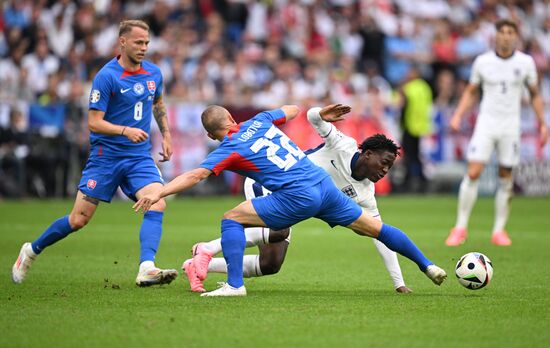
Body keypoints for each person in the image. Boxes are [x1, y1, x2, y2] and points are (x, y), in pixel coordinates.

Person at [134, 103, 447, 297]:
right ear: (231, 117)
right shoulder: (259, 120)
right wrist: (299, 114)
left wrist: (159, 190)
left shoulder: (227, 149)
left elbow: (195, 176)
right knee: (376, 228)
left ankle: (233, 284)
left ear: (211, 135)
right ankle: (428, 266)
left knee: (231, 218)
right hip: (323, 186)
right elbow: (293, 110)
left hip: (296, 194)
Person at [12, 20, 178, 286]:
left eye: (146, 42)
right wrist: (125, 131)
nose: (144, 47)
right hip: (106, 157)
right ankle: (31, 250)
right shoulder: (107, 76)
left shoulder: (154, 73)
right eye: (138, 42)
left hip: (138, 157)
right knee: (78, 220)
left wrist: (167, 135)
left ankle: (147, 266)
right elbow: (94, 122)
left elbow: (157, 102)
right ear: (122, 42)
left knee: (157, 201)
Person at [182, 115, 412, 294]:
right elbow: (313, 116)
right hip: (273, 185)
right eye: (383, 164)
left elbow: (379, 234)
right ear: (368, 154)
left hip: (304, 198)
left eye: (389, 168)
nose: (385, 171)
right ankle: (208, 249)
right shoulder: (342, 146)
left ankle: (198, 264)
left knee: (270, 264)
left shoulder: (365, 192)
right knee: (278, 230)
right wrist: (320, 113)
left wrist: (398, 283)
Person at [445, 19, 549, 247]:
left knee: (506, 177)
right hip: (486, 124)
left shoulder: (525, 62)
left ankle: (499, 230)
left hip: (511, 126)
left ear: (516, 36)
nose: (506, 36)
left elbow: (534, 94)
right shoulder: (483, 62)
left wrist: (542, 123)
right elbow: (472, 91)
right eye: (502, 31)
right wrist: (458, 114)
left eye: (510, 32)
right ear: (496, 35)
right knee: (473, 172)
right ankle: (460, 227)